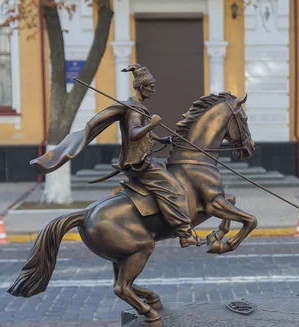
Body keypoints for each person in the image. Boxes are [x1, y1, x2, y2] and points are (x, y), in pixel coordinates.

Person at [30, 63, 201, 248]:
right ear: (141, 88)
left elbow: (145, 136)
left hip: (143, 160)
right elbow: (134, 133)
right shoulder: (135, 109)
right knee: (175, 188)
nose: (153, 91)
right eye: (151, 88)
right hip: (139, 164)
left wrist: (162, 140)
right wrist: (151, 124)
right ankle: (185, 233)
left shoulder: (136, 107)